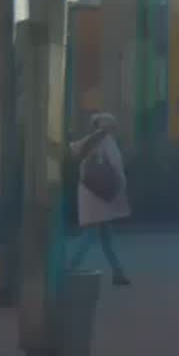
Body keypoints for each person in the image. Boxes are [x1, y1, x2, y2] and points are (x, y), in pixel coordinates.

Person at [68, 112, 131, 286]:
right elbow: (117, 166)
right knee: (91, 234)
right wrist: (121, 188)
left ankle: (118, 272)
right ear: (108, 127)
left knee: (105, 235)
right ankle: (70, 266)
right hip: (102, 195)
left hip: (89, 192)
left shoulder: (89, 140)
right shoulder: (107, 141)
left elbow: (73, 150)